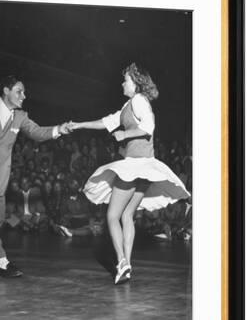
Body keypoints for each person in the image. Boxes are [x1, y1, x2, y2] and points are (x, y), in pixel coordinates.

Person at [69, 62, 190, 284]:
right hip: (143, 169)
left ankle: (122, 262)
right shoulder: (129, 105)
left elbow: (148, 127)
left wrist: (124, 136)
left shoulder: (138, 100)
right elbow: (105, 122)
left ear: (135, 83)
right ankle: (126, 264)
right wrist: (78, 125)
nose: (122, 83)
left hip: (136, 166)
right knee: (126, 216)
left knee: (112, 216)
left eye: (125, 80)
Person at [0, 75, 71, 278]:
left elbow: (36, 132)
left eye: (24, 92)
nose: (24, 96)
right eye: (19, 91)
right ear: (6, 91)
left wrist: (58, 129)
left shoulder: (20, 116)